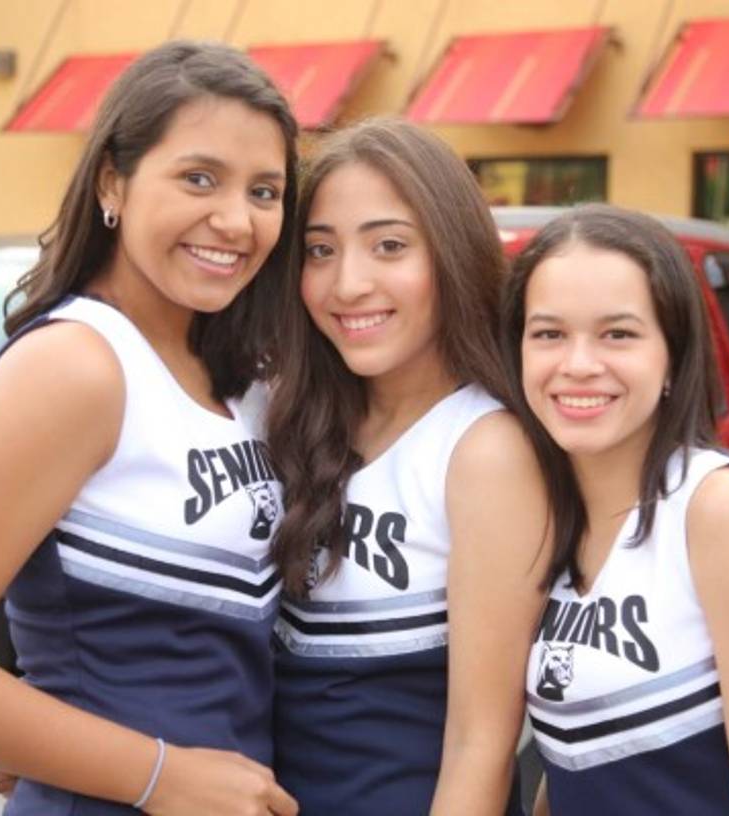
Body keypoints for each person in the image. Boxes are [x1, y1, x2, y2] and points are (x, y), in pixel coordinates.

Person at [0, 41, 301, 815]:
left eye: (265, 191)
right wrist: (159, 774)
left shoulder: (241, 376)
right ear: (112, 182)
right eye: (199, 178)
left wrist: (34, 730)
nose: (236, 220)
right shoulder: (74, 367)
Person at [266, 118, 551, 816]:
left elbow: (482, 744)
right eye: (320, 250)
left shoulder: (485, 450)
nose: (348, 284)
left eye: (389, 246)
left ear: (452, 253)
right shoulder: (292, 417)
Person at [498, 205, 729, 816]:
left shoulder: (717, 509)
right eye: (549, 334)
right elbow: (578, 757)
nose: (578, 364)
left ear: (673, 355)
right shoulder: (549, 517)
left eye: (617, 334)